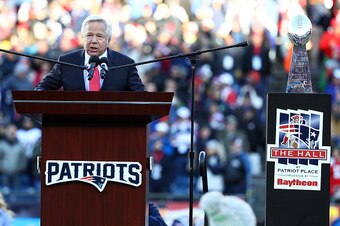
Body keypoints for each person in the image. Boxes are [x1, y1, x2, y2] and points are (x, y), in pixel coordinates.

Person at [34, 15, 145, 91]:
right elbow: (41, 89)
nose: (94, 40)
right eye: (89, 35)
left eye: (100, 36)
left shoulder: (125, 64)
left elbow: (142, 97)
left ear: (108, 40)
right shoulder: (66, 62)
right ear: (82, 37)